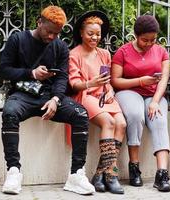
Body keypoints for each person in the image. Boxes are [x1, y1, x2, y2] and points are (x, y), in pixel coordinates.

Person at [0, 5, 95, 195]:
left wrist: (56, 100)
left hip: (49, 98)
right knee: (9, 113)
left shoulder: (60, 46)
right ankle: (13, 171)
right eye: (48, 31)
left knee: (81, 114)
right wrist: (31, 73)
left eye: (56, 33)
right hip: (22, 96)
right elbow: (4, 70)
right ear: (39, 22)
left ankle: (76, 175)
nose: (51, 36)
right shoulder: (18, 39)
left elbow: (62, 78)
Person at [68, 10, 126, 194]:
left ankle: (101, 173)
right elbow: (74, 84)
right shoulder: (74, 55)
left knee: (122, 124)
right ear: (81, 33)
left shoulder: (104, 53)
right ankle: (113, 174)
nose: (95, 37)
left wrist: (110, 90)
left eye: (98, 34)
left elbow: (107, 80)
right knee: (108, 122)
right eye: (90, 34)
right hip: (86, 96)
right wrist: (91, 83)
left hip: (104, 96)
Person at [111, 15, 170, 192]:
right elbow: (115, 81)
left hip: (154, 95)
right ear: (136, 35)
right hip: (129, 91)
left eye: (153, 40)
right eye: (145, 40)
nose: (149, 43)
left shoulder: (161, 52)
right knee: (135, 115)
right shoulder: (123, 52)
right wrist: (140, 81)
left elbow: (164, 78)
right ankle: (134, 168)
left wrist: (154, 101)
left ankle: (162, 174)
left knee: (159, 119)